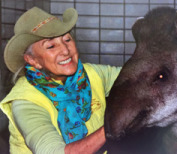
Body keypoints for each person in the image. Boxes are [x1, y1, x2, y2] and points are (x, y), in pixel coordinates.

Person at [0, 7, 121, 154]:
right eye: (51, 46)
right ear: (33, 60)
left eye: (67, 39)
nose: (65, 50)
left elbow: (138, 78)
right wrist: (112, 126)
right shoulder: (26, 101)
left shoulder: (92, 74)